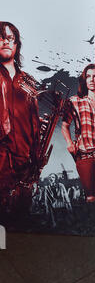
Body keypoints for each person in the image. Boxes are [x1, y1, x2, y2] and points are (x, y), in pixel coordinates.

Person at [0, 21, 40, 219]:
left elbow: (34, 122)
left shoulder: (28, 82)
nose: (5, 42)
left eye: (10, 38)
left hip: (25, 160)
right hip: (1, 159)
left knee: (22, 221)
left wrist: (36, 157)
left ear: (16, 45)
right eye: (0, 37)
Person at [61, 64, 95, 205]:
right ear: (84, 80)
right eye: (88, 76)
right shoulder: (74, 102)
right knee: (90, 197)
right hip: (84, 155)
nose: (92, 79)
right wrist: (70, 143)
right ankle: (91, 225)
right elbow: (65, 126)